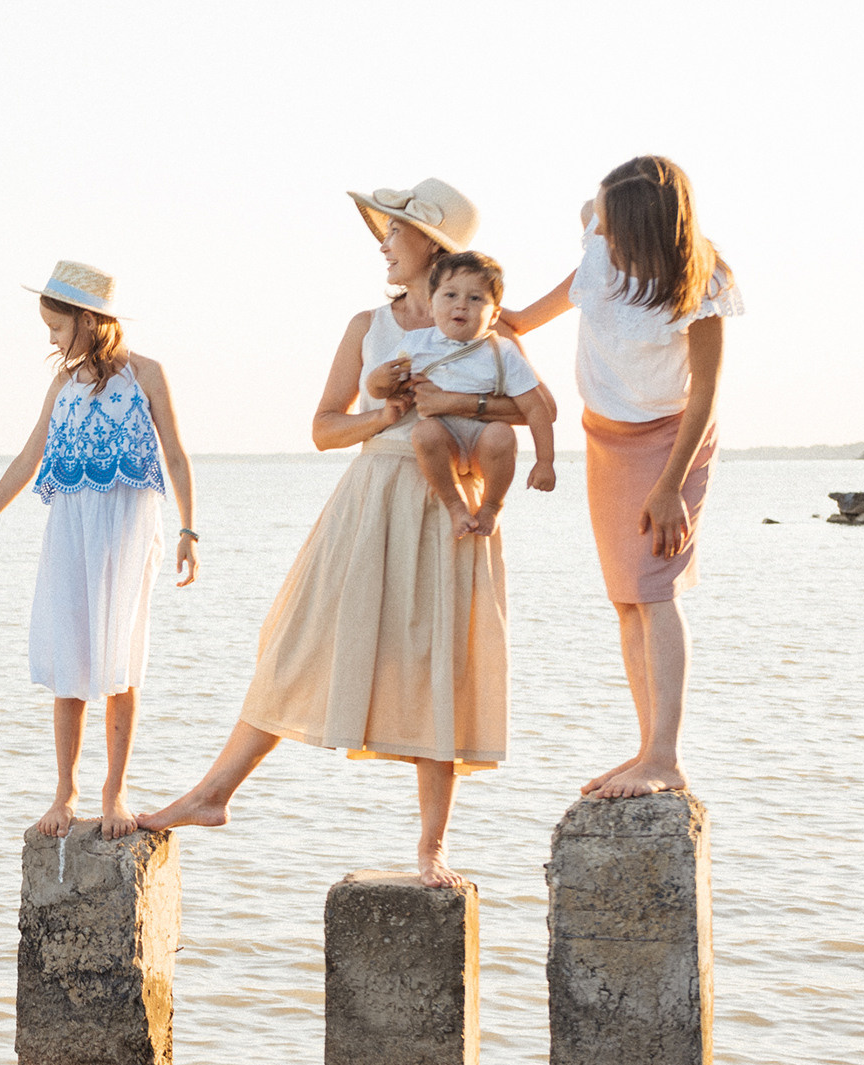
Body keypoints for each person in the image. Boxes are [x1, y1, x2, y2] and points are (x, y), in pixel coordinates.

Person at [140, 180, 552, 887]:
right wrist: (386, 408)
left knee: (442, 661)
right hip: (374, 493)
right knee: (299, 639)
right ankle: (213, 794)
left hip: (454, 504)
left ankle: (432, 848)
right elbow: (325, 428)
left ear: (432, 244)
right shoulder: (369, 325)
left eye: (393, 231)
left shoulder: (486, 325)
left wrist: (458, 401)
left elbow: (530, 407)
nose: (383, 244)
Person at [502, 155, 741, 799]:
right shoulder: (597, 244)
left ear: (644, 229)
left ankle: (666, 757)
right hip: (604, 438)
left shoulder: (702, 281)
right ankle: (644, 749)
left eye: (610, 222)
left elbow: (707, 395)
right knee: (624, 595)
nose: (597, 229)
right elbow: (522, 320)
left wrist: (670, 485)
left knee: (654, 587)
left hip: (672, 440)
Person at [0, 261, 198, 840]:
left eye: (57, 327)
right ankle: (65, 791)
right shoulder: (64, 384)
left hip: (128, 525)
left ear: (86, 319)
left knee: (120, 660)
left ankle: (114, 790)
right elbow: (28, 461)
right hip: (70, 528)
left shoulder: (147, 374)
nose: (52, 340)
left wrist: (189, 530)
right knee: (70, 662)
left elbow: (176, 455)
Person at [365, 249, 556, 537]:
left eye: (475, 298)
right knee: (424, 433)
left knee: (502, 434)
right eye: (450, 295)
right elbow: (380, 389)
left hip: (483, 441)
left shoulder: (502, 351)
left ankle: (491, 506)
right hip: (445, 438)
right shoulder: (417, 343)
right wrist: (379, 379)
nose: (461, 305)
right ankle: (455, 506)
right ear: (431, 305)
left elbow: (537, 408)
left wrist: (545, 461)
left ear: (494, 315)